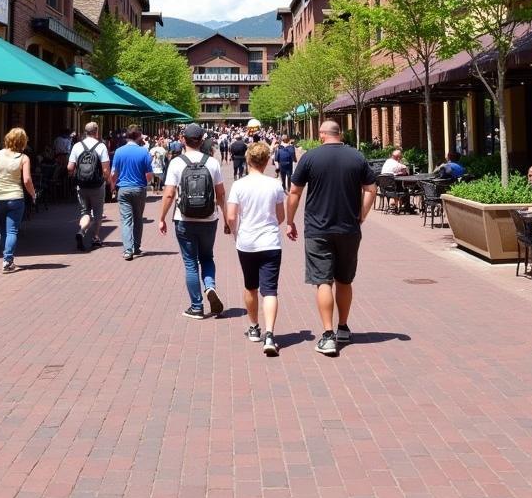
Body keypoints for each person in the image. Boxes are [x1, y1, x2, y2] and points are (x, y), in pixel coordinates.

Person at [285, 120, 377, 356]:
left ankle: (327, 336)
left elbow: (295, 191)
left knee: (323, 281)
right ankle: (343, 327)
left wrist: (290, 221)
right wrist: (362, 216)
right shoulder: (357, 156)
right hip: (349, 228)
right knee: (345, 280)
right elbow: (371, 188)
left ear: (321, 134)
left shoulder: (310, 157)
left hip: (318, 228)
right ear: (341, 134)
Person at [159, 122, 228, 319]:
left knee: (190, 262)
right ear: (202, 140)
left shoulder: (176, 163)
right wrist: (225, 219)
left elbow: (169, 194)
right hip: (209, 218)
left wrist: (162, 218)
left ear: (183, 140)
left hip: (184, 218)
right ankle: (210, 287)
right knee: (207, 257)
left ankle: (197, 307)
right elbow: (221, 194)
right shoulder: (212, 162)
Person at [226, 141, 288, 356]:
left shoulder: (239, 185)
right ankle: (270, 334)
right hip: (270, 242)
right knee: (269, 289)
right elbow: (281, 216)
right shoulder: (275, 185)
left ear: (248, 159)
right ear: (267, 161)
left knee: (250, 286)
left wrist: (236, 232)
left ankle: (254, 327)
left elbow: (231, 216)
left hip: (247, 242)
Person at [0, 127, 36, 273]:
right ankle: (7, 261)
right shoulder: (23, 158)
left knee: (2, 229)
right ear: (23, 142)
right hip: (15, 197)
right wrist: (33, 194)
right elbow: (27, 180)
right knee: (12, 230)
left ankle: (6, 259)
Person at [110, 125, 152, 260]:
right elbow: (149, 174)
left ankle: (128, 250)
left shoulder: (119, 151)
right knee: (138, 218)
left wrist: (112, 186)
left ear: (127, 136)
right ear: (139, 136)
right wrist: (146, 183)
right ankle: (136, 246)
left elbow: (113, 173)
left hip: (123, 189)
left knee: (126, 220)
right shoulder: (144, 152)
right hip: (139, 188)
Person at [68, 122, 112, 252]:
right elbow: (105, 170)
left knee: (84, 212)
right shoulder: (101, 147)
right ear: (96, 132)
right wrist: (107, 181)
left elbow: (69, 167)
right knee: (98, 213)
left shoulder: (77, 146)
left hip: (81, 184)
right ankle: (95, 238)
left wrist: (74, 175)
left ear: (85, 132)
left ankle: (81, 231)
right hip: (97, 185)